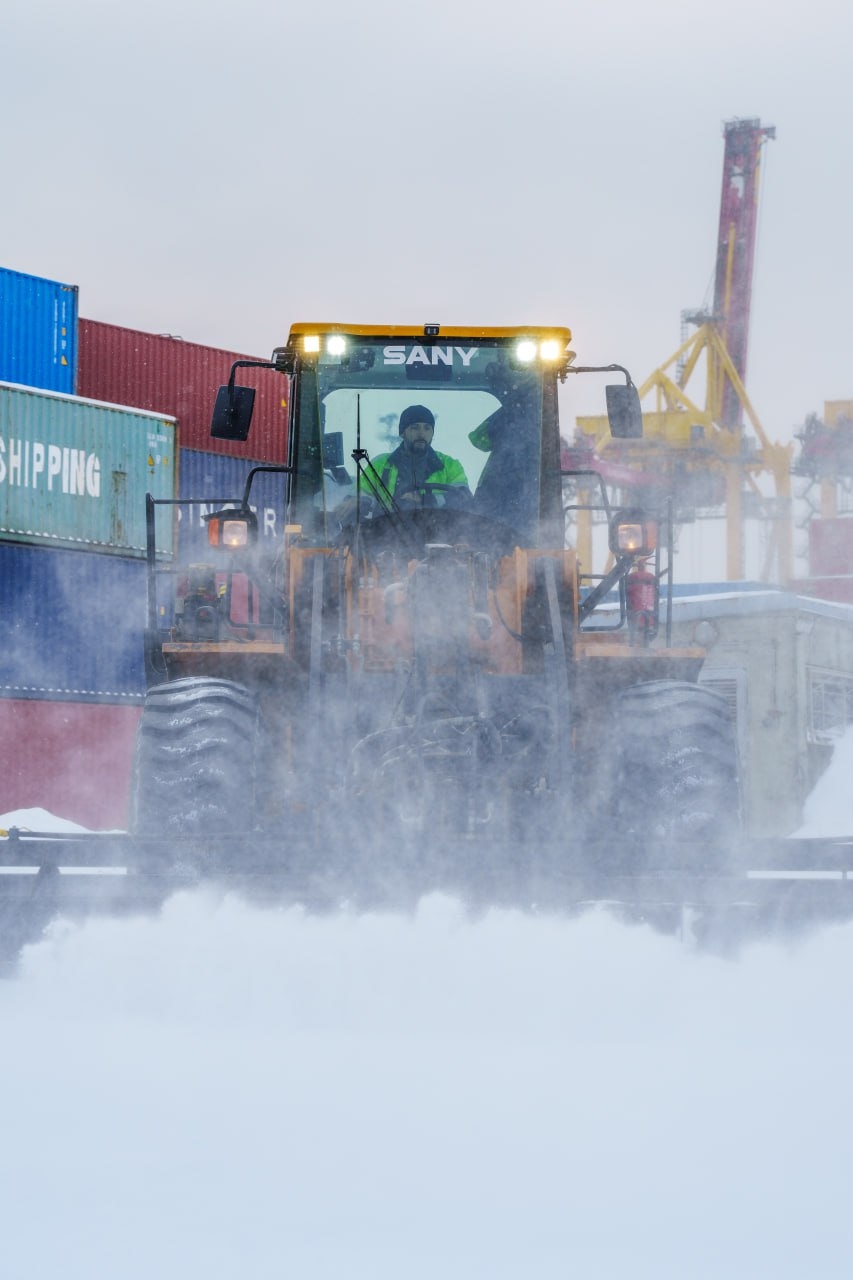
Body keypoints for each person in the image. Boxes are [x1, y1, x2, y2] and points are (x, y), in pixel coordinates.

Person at [359, 405, 471, 511]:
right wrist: (358, 502)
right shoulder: (380, 464)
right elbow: (360, 497)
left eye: (427, 428)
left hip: (442, 529)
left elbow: (464, 498)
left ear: (432, 433)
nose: (421, 434)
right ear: (402, 433)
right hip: (388, 527)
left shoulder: (450, 465)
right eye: (414, 428)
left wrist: (426, 500)